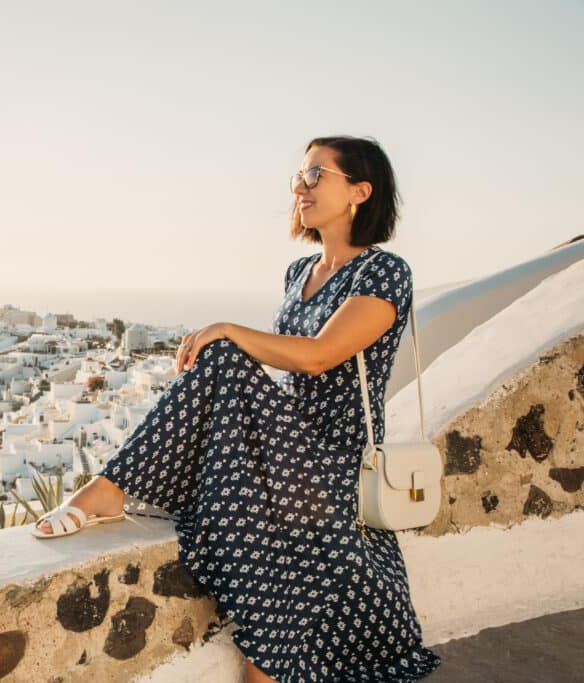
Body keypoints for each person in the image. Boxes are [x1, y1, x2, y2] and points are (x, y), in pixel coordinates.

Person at [31, 135, 441, 682]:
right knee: (224, 365)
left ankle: (108, 491)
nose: (300, 186)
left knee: (224, 351)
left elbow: (319, 358)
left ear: (360, 192)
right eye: (299, 175)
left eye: (317, 175)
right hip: (287, 447)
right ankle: (113, 493)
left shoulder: (384, 273)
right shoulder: (299, 274)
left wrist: (226, 328)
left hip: (339, 460)